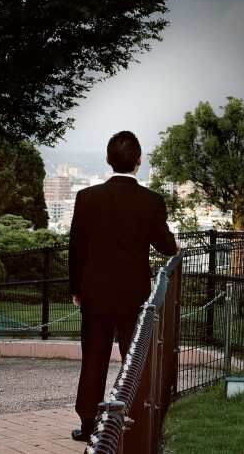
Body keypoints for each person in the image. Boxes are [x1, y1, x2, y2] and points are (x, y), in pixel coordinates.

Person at [68, 131, 178, 442]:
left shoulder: (86, 198)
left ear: (107, 160)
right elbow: (166, 246)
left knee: (93, 356)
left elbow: (75, 248)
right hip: (134, 293)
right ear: (138, 161)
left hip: (94, 292)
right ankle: (135, 422)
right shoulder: (152, 201)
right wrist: (175, 245)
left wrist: (76, 288)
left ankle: (88, 423)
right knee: (135, 359)